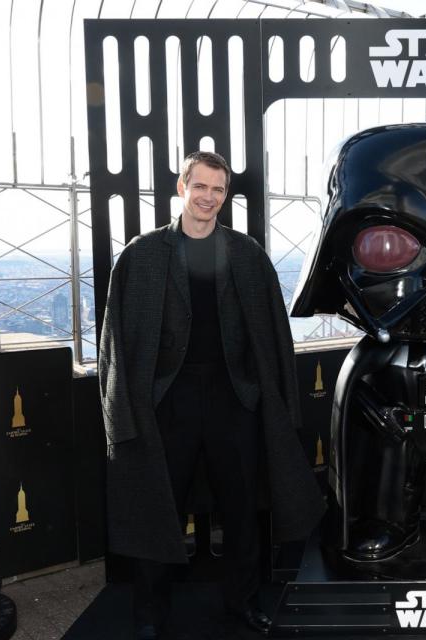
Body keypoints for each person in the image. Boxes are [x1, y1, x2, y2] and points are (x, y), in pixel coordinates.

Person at [99, 151, 325, 639]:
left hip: (233, 397)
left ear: (225, 195)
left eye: (218, 189)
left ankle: (243, 603)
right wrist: (122, 412)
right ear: (181, 188)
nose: (208, 197)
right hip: (167, 400)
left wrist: (277, 403)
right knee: (158, 505)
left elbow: (273, 336)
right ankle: (149, 611)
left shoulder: (246, 255)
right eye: (200, 186)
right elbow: (115, 342)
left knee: (243, 509)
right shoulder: (141, 255)